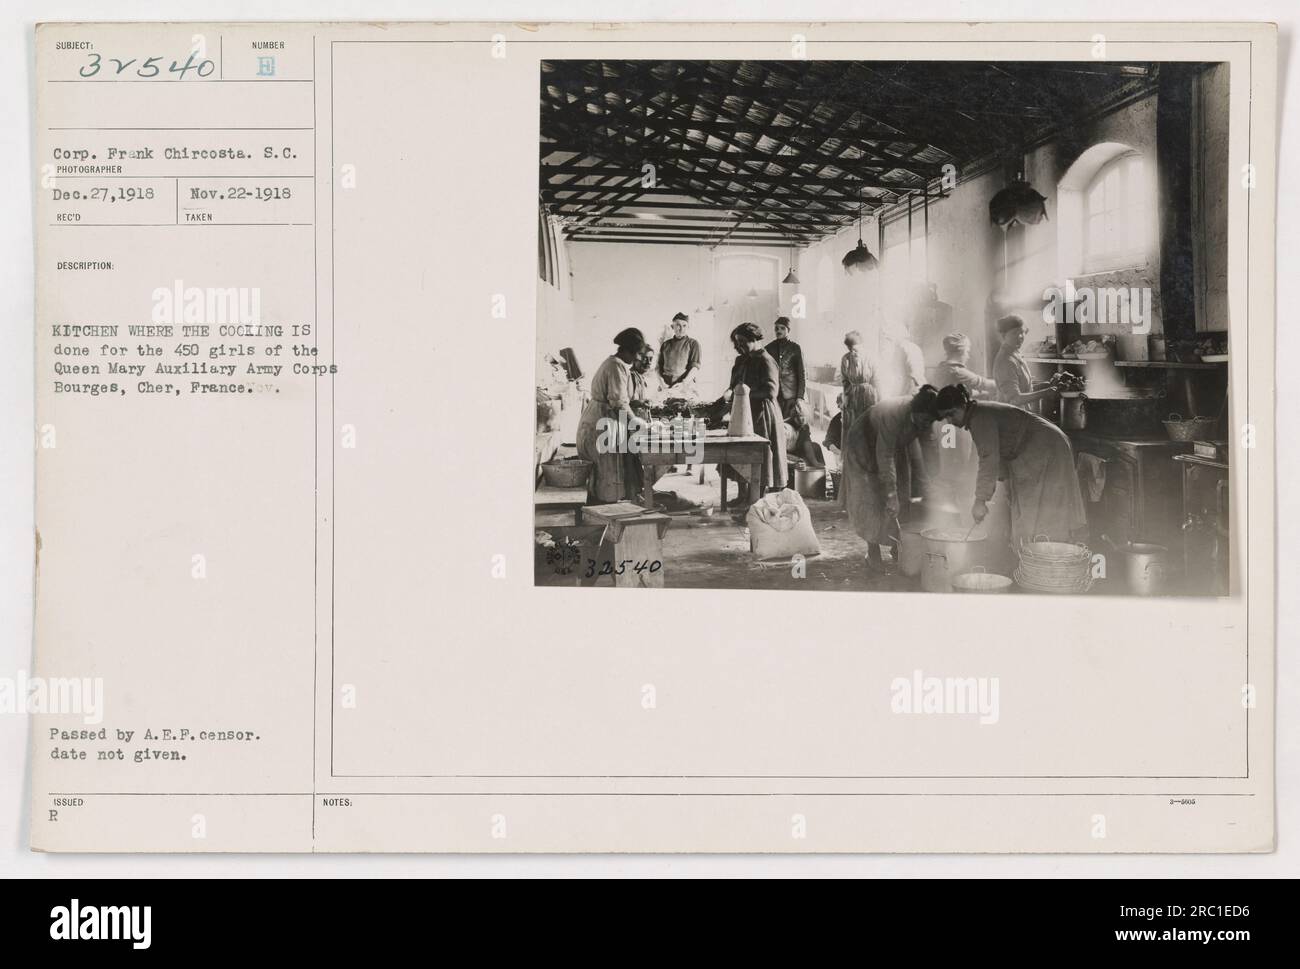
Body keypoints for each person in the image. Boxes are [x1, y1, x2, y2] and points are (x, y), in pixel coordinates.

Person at [935, 383, 1087, 545]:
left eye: (952, 414)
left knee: (1046, 509)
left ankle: (1046, 555)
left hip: (1045, 446)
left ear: (962, 405)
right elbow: (995, 456)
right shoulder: (977, 414)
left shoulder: (980, 417)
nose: (950, 421)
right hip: (1038, 445)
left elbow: (989, 460)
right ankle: (1034, 552)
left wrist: (980, 500)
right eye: (946, 417)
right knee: (1031, 508)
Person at [842, 386, 939, 572]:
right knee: (869, 496)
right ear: (916, 412)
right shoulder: (894, 414)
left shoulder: (926, 418)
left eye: (930, 421)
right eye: (925, 420)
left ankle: (899, 546)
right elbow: (884, 456)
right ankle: (873, 552)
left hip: (893, 444)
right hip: (863, 442)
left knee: (904, 490)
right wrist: (890, 494)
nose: (927, 425)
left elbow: (930, 448)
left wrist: (934, 482)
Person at [718, 322, 787, 508]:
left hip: (761, 414)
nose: (739, 347)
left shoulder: (766, 360)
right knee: (739, 454)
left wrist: (743, 394)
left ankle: (755, 498)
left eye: (742, 342)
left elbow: (771, 392)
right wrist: (725, 398)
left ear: (755, 339)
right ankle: (742, 495)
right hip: (742, 412)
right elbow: (733, 386)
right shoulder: (741, 360)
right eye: (737, 343)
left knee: (759, 456)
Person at [576, 327, 647, 504]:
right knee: (605, 472)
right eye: (636, 353)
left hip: (602, 419)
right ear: (627, 351)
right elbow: (618, 402)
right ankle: (602, 513)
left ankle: (603, 509)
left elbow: (620, 397)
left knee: (605, 472)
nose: (637, 358)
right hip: (601, 423)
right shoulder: (616, 366)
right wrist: (635, 421)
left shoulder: (616, 364)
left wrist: (635, 404)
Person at [992, 314, 1060, 413]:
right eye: (1014, 333)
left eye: (1022, 332)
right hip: (1008, 418)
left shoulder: (1015, 354)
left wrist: (1047, 385)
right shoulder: (1006, 360)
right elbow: (1015, 399)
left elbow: (1024, 389)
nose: (1020, 336)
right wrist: (1045, 393)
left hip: (1021, 414)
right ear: (1004, 336)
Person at [839, 330, 878, 444]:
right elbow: (845, 381)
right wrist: (846, 397)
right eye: (850, 349)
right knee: (852, 427)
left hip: (869, 396)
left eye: (855, 349)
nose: (852, 352)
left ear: (862, 345)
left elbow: (877, 380)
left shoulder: (871, 358)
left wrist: (878, 400)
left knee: (868, 427)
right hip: (852, 396)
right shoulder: (845, 359)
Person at [766, 316, 806, 420]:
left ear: (788, 330)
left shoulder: (795, 348)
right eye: (777, 328)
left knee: (791, 425)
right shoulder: (769, 348)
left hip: (791, 396)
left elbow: (801, 374)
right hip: (774, 395)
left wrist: (800, 397)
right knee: (775, 424)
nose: (779, 331)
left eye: (782, 328)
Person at [933, 332, 996, 396]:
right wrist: (1002, 382)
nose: (968, 356)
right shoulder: (956, 371)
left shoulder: (942, 367)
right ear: (960, 352)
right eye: (967, 352)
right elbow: (983, 383)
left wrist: (984, 393)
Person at [876, 321, 926, 398]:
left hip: (912, 387)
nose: (889, 341)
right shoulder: (900, 348)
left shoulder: (906, 348)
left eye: (890, 338)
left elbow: (914, 374)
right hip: (906, 385)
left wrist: (904, 394)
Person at [657, 312, 702, 392]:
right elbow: (658, 367)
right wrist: (661, 382)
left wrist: (683, 384)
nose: (681, 329)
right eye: (678, 325)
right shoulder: (665, 344)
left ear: (688, 327)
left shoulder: (693, 344)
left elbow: (695, 367)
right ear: (672, 326)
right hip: (666, 387)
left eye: (684, 325)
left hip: (684, 387)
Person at [784, 399, 826, 470]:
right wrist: (792, 463)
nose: (802, 419)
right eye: (799, 416)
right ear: (793, 416)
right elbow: (779, 453)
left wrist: (815, 463)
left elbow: (807, 445)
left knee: (815, 447)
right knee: (802, 464)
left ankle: (820, 474)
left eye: (804, 416)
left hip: (797, 452)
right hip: (786, 456)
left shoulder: (804, 426)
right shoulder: (785, 428)